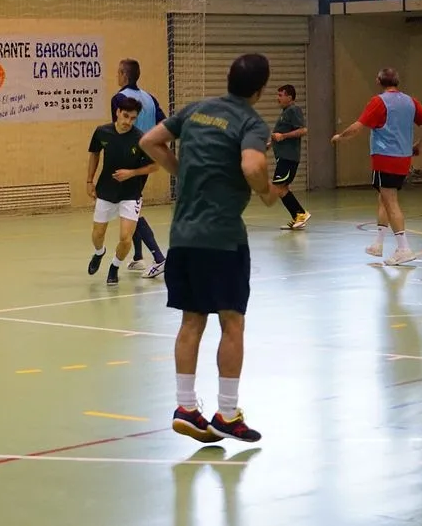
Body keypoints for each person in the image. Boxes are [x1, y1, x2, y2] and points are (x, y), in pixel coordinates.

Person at [139, 53, 280, 443]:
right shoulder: (250, 122)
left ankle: (186, 407)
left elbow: (150, 140)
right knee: (232, 323)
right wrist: (266, 192)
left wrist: (181, 170)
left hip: (183, 237)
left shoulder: (196, 110)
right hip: (223, 239)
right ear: (260, 89)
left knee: (191, 321)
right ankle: (227, 414)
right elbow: (252, 166)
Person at [332, 67, 422, 266]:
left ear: (378, 81)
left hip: (385, 158)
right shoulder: (410, 101)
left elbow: (357, 127)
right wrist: (420, 145)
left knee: (391, 202)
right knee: (384, 199)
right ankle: (378, 243)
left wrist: (340, 137)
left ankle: (404, 248)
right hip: (403, 158)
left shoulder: (379, 102)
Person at [88, 95, 159, 285]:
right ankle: (99, 253)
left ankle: (115, 267)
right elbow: (94, 154)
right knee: (97, 234)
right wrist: (89, 181)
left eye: (133, 118)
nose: (128, 121)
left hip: (130, 193)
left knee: (126, 238)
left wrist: (132, 173)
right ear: (118, 112)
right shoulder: (102, 132)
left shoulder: (140, 139)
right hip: (106, 190)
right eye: (125, 116)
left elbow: (155, 166)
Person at [111, 58, 167, 279]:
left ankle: (159, 258)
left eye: (118, 72)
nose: (117, 75)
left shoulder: (119, 99)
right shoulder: (150, 98)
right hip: (147, 157)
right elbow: (165, 124)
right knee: (130, 206)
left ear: (124, 75)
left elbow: (118, 131)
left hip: (131, 160)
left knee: (130, 208)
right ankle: (137, 257)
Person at [269, 84, 311, 230]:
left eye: (280, 95)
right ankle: (298, 216)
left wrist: (283, 136)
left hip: (288, 157)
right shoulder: (285, 112)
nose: (278, 98)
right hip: (283, 157)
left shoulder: (293, 110)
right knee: (282, 187)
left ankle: (300, 214)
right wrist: (271, 142)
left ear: (290, 97)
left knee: (278, 187)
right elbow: (279, 134)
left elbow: (303, 130)